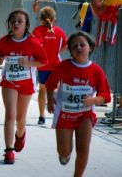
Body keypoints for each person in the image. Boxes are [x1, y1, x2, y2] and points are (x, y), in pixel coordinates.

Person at [45, 31, 111, 177]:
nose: (79, 48)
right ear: (70, 50)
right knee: (63, 151)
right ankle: (66, 151)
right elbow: (50, 84)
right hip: (64, 113)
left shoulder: (96, 70)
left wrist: (94, 100)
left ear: (90, 47)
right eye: (75, 46)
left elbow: (106, 96)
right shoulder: (63, 66)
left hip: (85, 114)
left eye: (82, 44)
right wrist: (50, 100)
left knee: (83, 148)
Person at [0, 9, 47, 164]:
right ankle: (9, 151)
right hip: (9, 81)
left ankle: (20, 133)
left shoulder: (32, 42)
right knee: (10, 114)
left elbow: (43, 61)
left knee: (20, 118)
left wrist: (28, 63)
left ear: (26, 25)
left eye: (19, 21)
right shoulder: (4, 41)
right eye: (13, 21)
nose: (16, 23)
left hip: (26, 82)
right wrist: (0, 58)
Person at [83, 0, 122, 117]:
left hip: (112, 37)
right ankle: (116, 104)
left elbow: (98, 12)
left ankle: (120, 107)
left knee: (116, 72)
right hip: (109, 37)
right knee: (112, 71)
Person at [32, 6, 67, 125]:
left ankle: (41, 116)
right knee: (55, 89)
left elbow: (36, 45)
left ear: (41, 19)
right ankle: (58, 115)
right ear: (54, 19)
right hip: (57, 64)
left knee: (42, 89)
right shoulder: (60, 31)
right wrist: (56, 52)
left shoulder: (37, 30)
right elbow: (65, 46)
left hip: (43, 65)